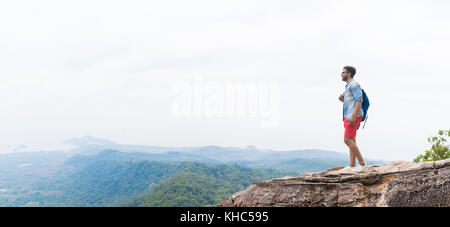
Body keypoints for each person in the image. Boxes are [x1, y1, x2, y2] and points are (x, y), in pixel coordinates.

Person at [338, 66, 366, 172]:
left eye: (343, 72)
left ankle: (362, 164)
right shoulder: (348, 86)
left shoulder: (354, 84)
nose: (341, 74)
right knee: (352, 139)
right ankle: (352, 165)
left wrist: (354, 115)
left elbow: (359, 100)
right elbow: (351, 102)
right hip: (348, 115)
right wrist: (342, 99)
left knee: (347, 140)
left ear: (349, 74)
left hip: (353, 116)